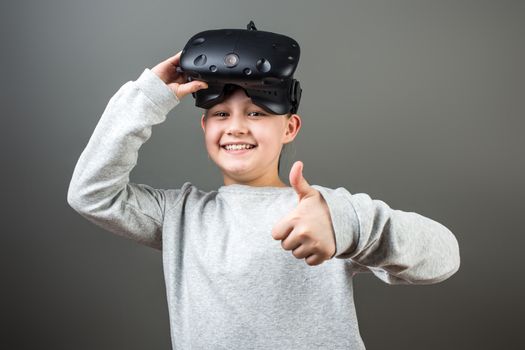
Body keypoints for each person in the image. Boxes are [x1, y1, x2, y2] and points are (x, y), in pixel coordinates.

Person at [67, 50, 461, 349]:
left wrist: (351, 229)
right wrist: (150, 95)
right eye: (221, 114)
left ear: (289, 127)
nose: (236, 126)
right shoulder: (179, 216)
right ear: (204, 126)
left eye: (255, 113)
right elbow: (91, 193)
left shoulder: (322, 211)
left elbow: (445, 257)